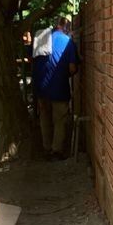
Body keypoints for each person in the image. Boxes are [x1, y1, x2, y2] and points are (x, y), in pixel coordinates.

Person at [32, 18, 78, 159]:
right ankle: (56, 151)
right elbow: (72, 68)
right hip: (59, 88)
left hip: (41, 89)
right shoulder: (68, 42)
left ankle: (46, 148)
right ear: (66, 28)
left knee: (44, 118)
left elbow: (32, 61)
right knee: (59, 120)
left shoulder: (41, 39)